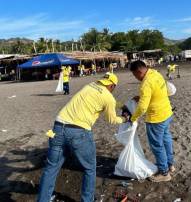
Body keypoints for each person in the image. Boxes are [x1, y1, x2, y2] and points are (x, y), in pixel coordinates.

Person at [37, 73, 129, 202]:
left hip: (58, 127)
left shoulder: (90, 85)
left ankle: (43, 199)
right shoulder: (108, 98)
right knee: (90, 168)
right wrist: (125, 118)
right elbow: (111, 119)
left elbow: (109, 100)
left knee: (51, 168)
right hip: (78, 132)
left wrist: (120, 105)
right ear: (112, 86)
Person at [129, 60, 174, 182]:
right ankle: (170, 165)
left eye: (134, 75)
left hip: (156, 118)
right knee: (166, 140)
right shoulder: (155, 73)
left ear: (139, 72)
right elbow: (161, 90)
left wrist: (133, 118)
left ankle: (164, 173)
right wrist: (142, 97)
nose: (135, 77)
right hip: (167, 113)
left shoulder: (145, 83)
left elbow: (142, 107)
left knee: (157, 145)